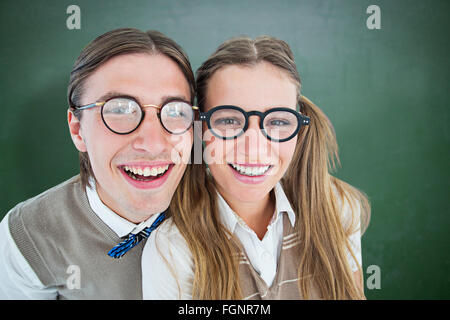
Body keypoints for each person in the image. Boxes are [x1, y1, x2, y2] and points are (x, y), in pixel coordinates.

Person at [142, 35, 371, 300]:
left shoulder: (337, 208)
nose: (253, 149)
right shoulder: (172, 249)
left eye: (278, 122)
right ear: (198, 128)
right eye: (228, 120)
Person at [0, 28, 196, 299]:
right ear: (78, 130)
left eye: (175, 112)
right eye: (120, 109)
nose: (153, 143)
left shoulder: (233, 209)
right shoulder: (27, 237)